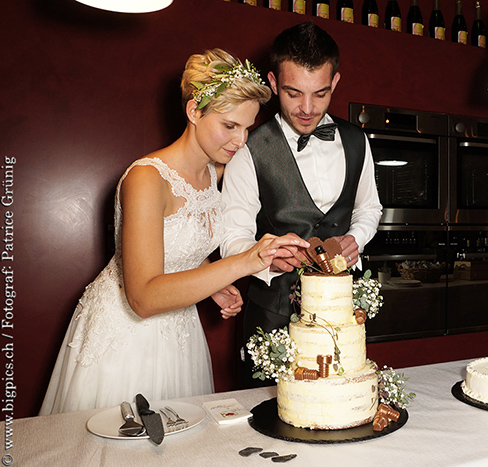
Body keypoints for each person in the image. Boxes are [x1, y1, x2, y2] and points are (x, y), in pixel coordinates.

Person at [40, 49, 309, 414]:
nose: (241, 140)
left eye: (247, 127)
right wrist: (242, 263)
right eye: (230, 125)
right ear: (194, 111)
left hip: (180, 332)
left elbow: (180, 248)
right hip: (125, 338)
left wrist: (209, 284)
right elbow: (144, 298)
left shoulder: (215, 174)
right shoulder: (146, 179)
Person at [220, 21, 382, 368]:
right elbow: (232, 236)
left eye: (320, 93)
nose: (307, 108)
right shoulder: (248, 148)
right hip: (272, 319)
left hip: (341, 313)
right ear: (274, 83)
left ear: (335, 82)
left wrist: (357, 238)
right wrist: (266, 259)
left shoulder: (357, 140)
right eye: (294, 93)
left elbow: (369, 208)